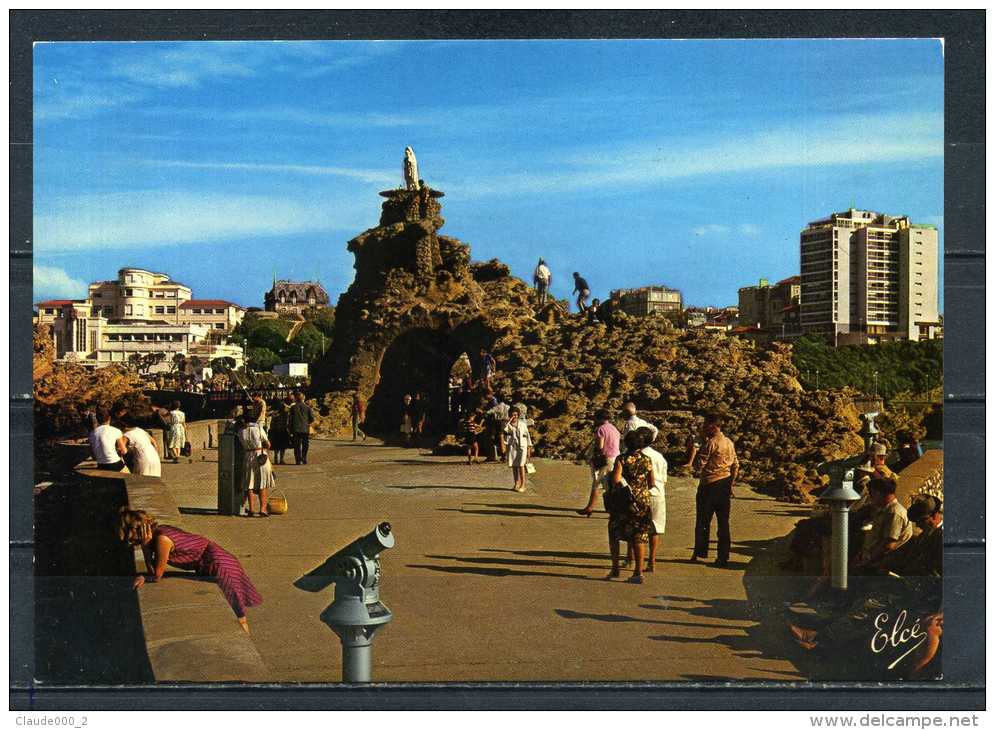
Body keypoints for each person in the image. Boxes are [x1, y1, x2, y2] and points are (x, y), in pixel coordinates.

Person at [120, 509, 262, 634]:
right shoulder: (161, 530)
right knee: (236, 616)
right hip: (216, 561)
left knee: (239, 618)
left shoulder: (162, 540)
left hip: (219, 566)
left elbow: (157, 575)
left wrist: (145, 550)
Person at [605, 430, 656, 584]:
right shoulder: (647, 460)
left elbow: (616, 479)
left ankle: (615, 568)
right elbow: (652, 482)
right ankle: (638, 572)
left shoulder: (622, 459)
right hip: (642, 501)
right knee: (639, 536)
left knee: (614, 532)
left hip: (624, 501)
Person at [691, 412, 739, 567]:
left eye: (706, 425)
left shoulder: (710, 443)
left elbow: (699, 465)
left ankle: (700, 551)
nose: (704, 427)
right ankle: (723, 556)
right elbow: (735, 465)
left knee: (703, 521)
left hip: (709, 485)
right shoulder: (729, 442)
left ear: (712, 426)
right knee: (723, 523)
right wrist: (731, 484)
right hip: (724, 484)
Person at [853, 477, 914, 572]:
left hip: (879, 565)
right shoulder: (886, 510)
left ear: (879, 493)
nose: (871, 498)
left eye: (872, 494)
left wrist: (867, 562)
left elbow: (888, 544)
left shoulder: (894, 513)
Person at [576, 409, 621, 516]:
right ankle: (611, 509)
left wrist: (593, 457)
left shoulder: (601, 429)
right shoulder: (614, 429)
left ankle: (590, 508)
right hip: (615, 458)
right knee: (610, 484)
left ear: (599, 418)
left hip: (605, 459)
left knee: (598, 484)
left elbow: (600, 446)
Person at [638, 426, 668, 573]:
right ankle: (652, 561)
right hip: (657, 494)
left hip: (639, 494)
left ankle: (633, 559)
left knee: (637, 528)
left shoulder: (634, 455)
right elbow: (664, 479)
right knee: (655, 528)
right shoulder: (659, 457)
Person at [239, 411, 274, 517]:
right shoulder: (259, 429)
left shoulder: (241, 431)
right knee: (262, 483)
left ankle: (251, 509)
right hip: (260, 455)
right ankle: (262, 509)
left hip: (248, 456)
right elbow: (267, 444)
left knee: (249, 484)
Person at [504, 408, 533, 492]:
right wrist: (509, 421)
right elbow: (504, 431)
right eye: (513, 415)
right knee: (514, 466)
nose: (514, 416)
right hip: (513, 447)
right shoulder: (508, 425)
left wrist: (529, 449)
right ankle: (516, 483)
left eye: (516, 415)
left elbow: (527, 437)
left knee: (521, 465)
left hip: (522, 447)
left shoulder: (523, 424)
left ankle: (523, 485)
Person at [288, 391, 314, 465]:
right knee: (305, 444)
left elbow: (290, 419)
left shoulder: (293, 407)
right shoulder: (308, 407)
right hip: (305, 429)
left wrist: (290, 428)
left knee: (297, 445)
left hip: (295, 429)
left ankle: (298, 460)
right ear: (303, 399)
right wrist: (306, 422)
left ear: (296, 399)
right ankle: (304, 457)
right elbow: (312, 419)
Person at [486, 396, 511, 461]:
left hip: (499, 422)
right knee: (505, 439)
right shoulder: (507, 406)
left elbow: (489, 412)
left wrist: (486, 412)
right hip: (505, 422)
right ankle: (505, 455)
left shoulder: (499, 406)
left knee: (500, 438)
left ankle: (503, 455)